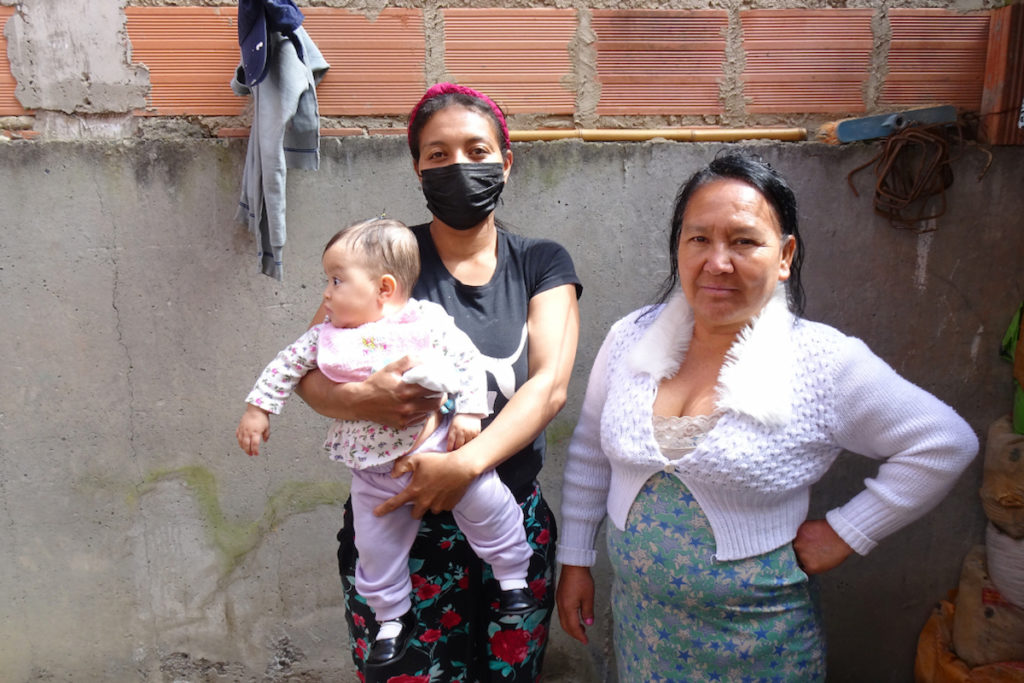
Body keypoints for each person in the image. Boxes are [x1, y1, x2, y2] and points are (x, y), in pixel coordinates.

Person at [555, 152, 978, 681]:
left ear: (785, 255)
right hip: (646, 627)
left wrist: (847, 532)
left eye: (744, 240)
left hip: (759, 640)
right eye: (698, 239)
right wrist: (575, 561)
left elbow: (944, 442)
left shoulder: (822, 362)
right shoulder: (630, 338)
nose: (718, 262)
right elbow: (591, 452)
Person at [294, 83, 581, 681]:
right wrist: (357, 399)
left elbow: (549, 385)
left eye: (477, 151)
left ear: (506, 161)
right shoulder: (385, 261)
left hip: (506, 520)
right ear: (418, 169)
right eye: (439, 154)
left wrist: (466, 464)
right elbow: (308, 370)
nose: (459, 167)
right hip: (399, 525)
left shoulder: (541, 261)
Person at [236, 217, 541, 667]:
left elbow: (466, 360)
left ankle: (513, 578)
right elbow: (285, 367)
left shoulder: (424, 322)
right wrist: (257, 410)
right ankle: (390, 621)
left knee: (489, 502)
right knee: (374, 547)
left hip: (437, 448)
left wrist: (472, 411)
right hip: (373, 473)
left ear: (383, 288)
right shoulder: (326, 336)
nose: (325, 292)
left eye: (336, 280)